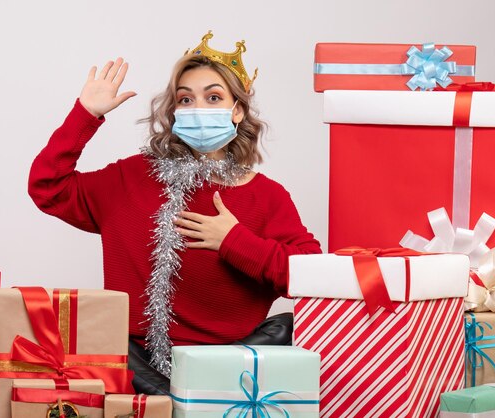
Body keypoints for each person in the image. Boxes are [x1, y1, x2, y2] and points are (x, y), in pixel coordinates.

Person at [28, 31, 322, 394]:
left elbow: (312, 274)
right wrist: (85, 115)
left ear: (238, 110)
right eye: (186, 99)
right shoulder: (130, 177)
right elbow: (48, 188)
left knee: (291, 326)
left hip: (228, 370)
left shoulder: (267, 197)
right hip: (134, 368)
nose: (198, 108)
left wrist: (233, 241)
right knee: (98, 336)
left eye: (213, 97)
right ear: (174, 111)